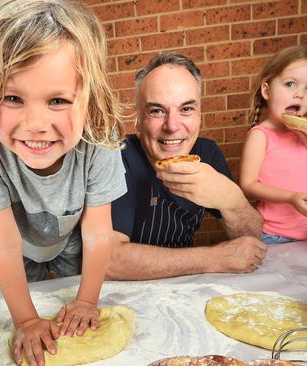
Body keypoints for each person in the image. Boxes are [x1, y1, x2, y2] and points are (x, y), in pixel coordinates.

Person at [0, 1, 126, 365]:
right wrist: (27, 319)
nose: (35, 123)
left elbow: (97, 231)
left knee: (70, 313)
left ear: (89, 102)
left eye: (58, 100)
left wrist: (87, 300)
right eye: (12, 97)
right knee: (34, 310)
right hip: (19, 247)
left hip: (73, 242)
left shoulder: (99, 133)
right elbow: (1, 241)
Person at [106, 53, 267, 281]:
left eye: (186, 109)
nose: (172, 126)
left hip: (184, 288)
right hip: (123, 292)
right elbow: (109, 260)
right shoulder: (118, 158)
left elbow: (253, 240)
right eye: (156, 111)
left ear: (200, 114)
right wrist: (213, 258)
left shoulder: (208, 154)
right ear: (138, 120)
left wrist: (233, 201)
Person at [239, 45, 307, 244]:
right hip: (274, 236)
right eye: (290, 84)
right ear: (267, 91)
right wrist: (290, 197)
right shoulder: (261, 136)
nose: (300, 94)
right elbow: (248, 186)